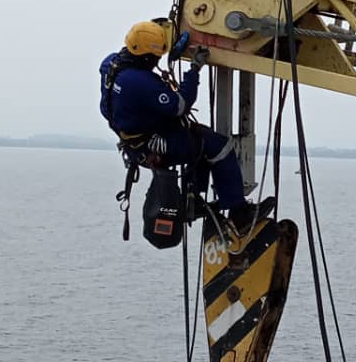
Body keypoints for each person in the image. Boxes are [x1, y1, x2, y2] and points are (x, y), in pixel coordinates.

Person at [99, 21, 274, 231]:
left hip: (136, 143)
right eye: (155, 57)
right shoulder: (138, 82)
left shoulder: (111, 65)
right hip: (153, 145)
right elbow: (179, 105)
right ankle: (239, 213)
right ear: (146, 57)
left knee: (198, 139)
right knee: (219, 146)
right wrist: (194, 70)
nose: (156, 62)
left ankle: (194, 200)